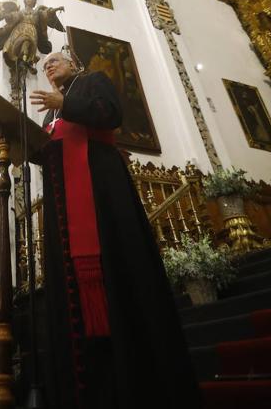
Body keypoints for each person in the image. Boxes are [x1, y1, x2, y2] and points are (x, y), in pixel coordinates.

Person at [30, 52, 201, 409]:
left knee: (118, 279)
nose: (49, 65)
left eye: (56, 59)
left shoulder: (92, 82)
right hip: (62, 218)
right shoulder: (52, 111)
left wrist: (67, 102)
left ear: (75, 63)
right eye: (45, 64)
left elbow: (111, 115)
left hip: (102, 201)